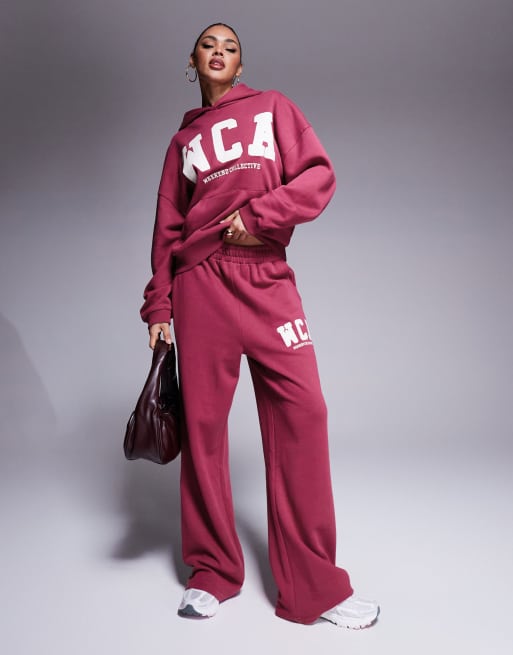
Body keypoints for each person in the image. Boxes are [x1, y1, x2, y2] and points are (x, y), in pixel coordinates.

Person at [140, 22, 379, 629]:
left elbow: (318, 175)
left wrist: (261, 216)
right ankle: (212, 572)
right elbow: (167, 229)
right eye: (209, 45)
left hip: (266, 278)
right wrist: (159, 307)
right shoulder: (183, 142)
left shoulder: (273, 109)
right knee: (203, 429)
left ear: (240, 65)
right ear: (193, 61)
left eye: (231, 47)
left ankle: (313, 587)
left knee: (305, 412)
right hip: (200, 286)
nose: (219, 52)